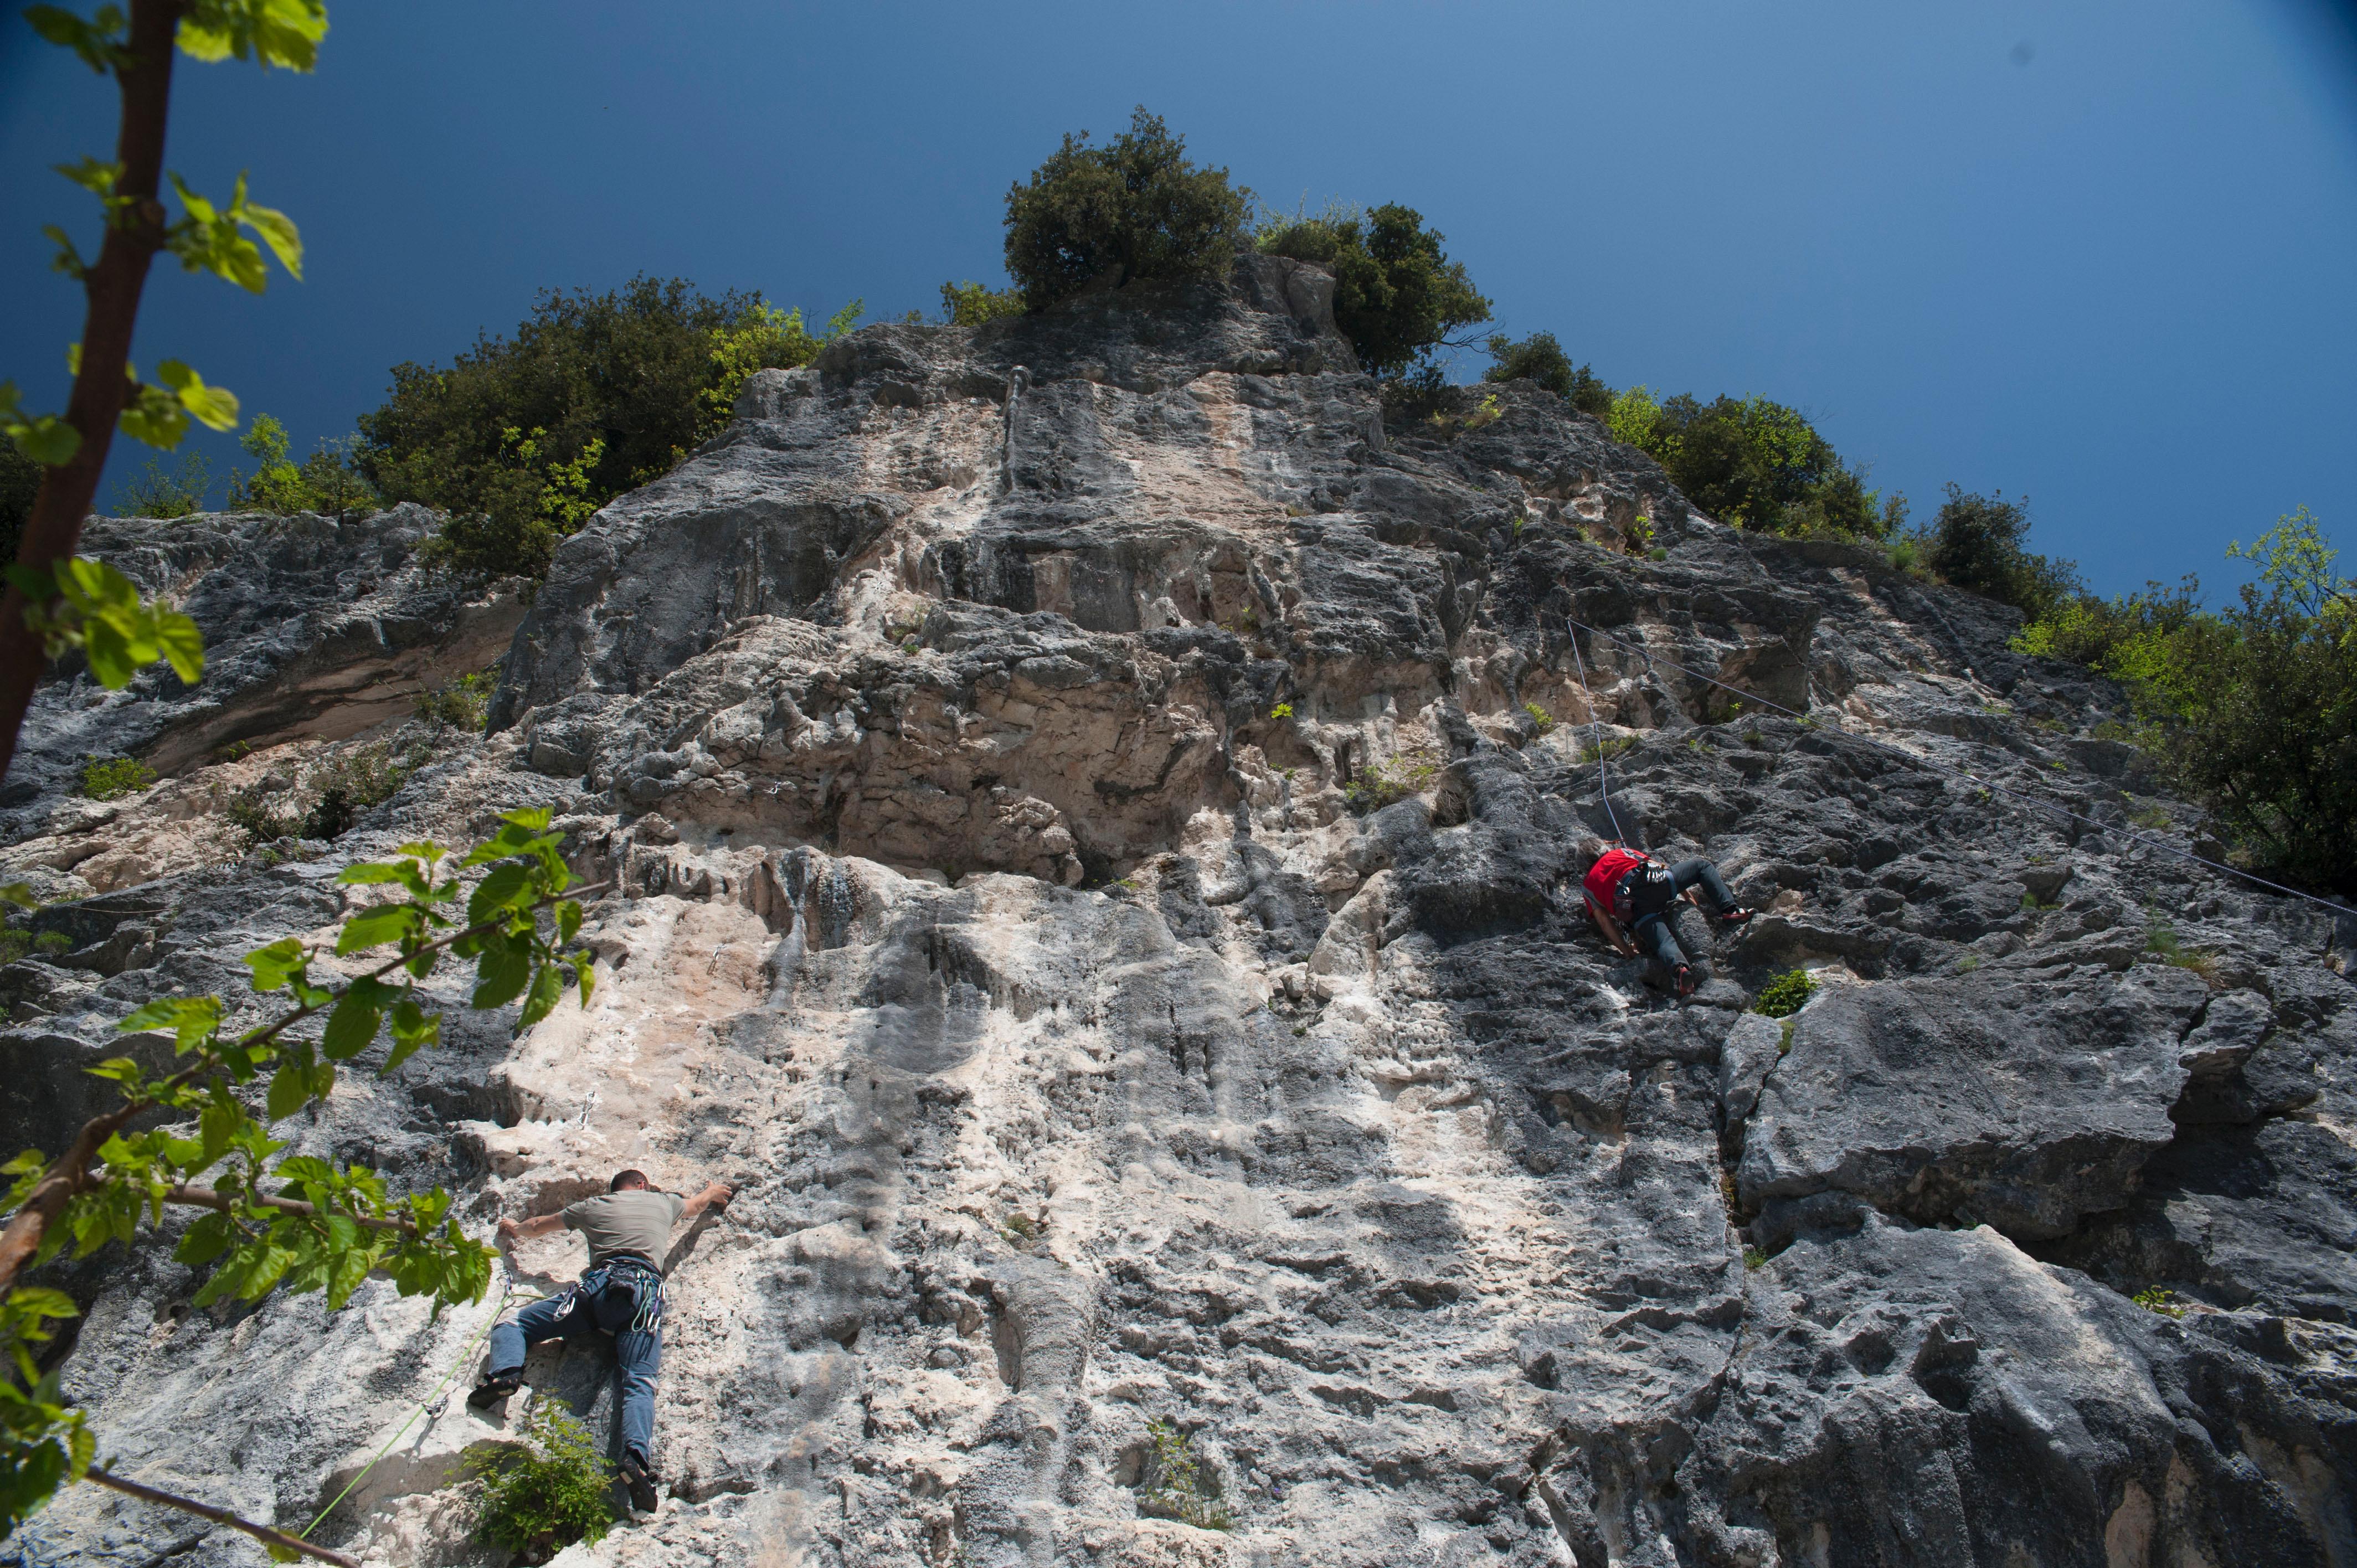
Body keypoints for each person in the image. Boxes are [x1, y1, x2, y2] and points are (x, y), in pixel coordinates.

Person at [469, 1169, 733, 1510]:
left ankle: (505, 1375)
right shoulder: (664, 1202)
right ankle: (635, 1461)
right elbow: (697, 1206)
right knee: (639, 1380)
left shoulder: (594, 1206)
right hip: (643, 1295)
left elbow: (538, 1226)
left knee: (512, 1325)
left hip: (597, 1292)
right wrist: (712, 1189)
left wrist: (513, 1227)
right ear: (642, 1185)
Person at [1582, 844, 1752, 997]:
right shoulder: (1621, 852)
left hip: (1634, 908)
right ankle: (1730, 911)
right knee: (1701, 866)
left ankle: (1680, 969)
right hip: (1658, 883)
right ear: (1603, 849)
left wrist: (1627, 951)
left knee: (1662, 940)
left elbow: (1605, 923)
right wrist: (1687, 896)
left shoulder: (1588, 886)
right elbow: (1658, 866)